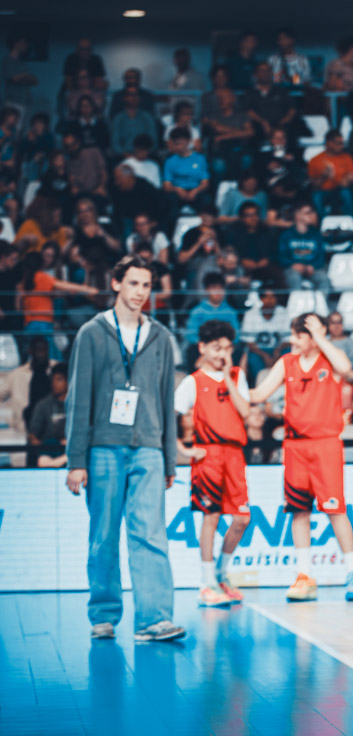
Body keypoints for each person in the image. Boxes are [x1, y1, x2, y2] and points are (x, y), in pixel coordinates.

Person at [65, 256, 186, 643]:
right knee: (103, 535)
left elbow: (166, 400)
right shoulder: (92, 332)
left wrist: (169, 458)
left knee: (150, 534)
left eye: (146, 285)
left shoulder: (160, 336)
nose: (140, 292)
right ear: (116, 283)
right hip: (103, 448)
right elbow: (79, 399)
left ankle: (154, 619)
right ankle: (103, 614)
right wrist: (76, 460)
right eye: (133, 283)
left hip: (149, 449)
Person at [250, 313, 353, 602]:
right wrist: (228, 383)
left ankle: (352, 572)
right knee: (299, 512)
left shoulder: (329, 361)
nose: (293, 340)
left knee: (336, 510)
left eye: (299, 335)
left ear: (313, 337)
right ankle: (304, 576)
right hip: (295, 447)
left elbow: (346, 368)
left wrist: (321, 338)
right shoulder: (286, 362)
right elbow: (260, 394)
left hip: (325, 445)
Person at [173, 320, 250, 608]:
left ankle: (220, 573)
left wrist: (228, 376)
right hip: (208, 455)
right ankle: (206, 583)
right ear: (202, 347)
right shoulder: (192, 381)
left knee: (242, 519)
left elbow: (245, 411)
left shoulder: (237, 375)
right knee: (211, 517)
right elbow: (170, 415)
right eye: (217, 348)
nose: (222, 354)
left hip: (235, 454)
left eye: (227, 349)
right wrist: (183, 449)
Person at [278, 201, 328, 292]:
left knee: (324, 279)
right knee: (293, 277)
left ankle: (322, 301)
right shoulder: (286, 235)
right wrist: (292, 265)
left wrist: (313, 266)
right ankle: (297, 301)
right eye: (307, 213)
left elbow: (321, 256)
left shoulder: (316, 235)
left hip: (313, 268)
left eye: (312, 212)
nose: (311, 215)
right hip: (293, 268)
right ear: (297, 215)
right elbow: (281, 256)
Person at [28, 362, 69, 468]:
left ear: (68, 381)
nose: (54, 383)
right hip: (49, 452)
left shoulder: (77, 405)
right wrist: (42, 450)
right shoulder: (43, 405)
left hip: (72, 450)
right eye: (53, 380)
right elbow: (33, 435)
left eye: (59, 379)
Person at [307, 130, 353, 217]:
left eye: (342, 143)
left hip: (340, 189)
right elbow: (313, 185)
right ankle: (323, 223)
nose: (341, 146)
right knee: (316, 197)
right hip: (323, 191)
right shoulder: (315, 160)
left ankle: (350, 221)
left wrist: (348, 180)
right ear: (329, 143)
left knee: (346, 193)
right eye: (338, 143)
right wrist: (323, 177)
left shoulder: (347, 157)